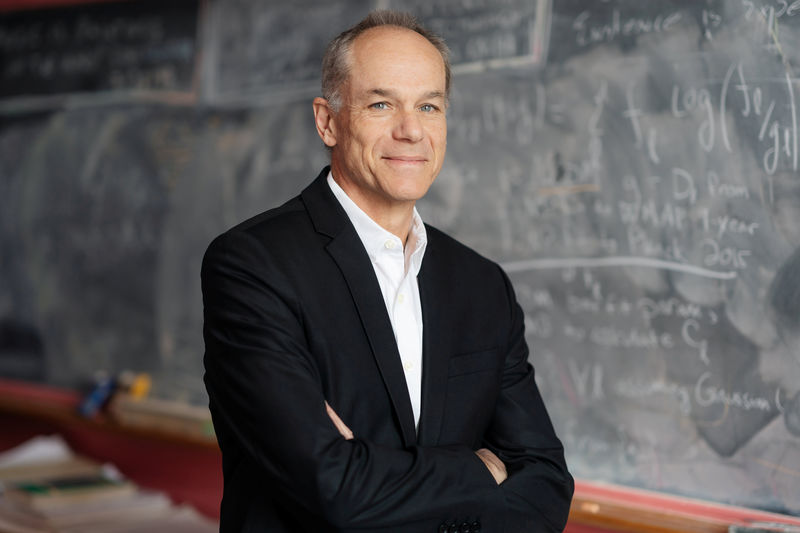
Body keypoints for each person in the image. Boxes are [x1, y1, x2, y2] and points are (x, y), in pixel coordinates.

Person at [202, 10, 573, 533]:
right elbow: (331, 487)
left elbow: (547, 483)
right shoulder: (253, 266)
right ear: (327, 121)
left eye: (429, 105)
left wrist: (370, 470)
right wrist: (479, 469)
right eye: (381, 104)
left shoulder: (481, 284)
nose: (411, 130)